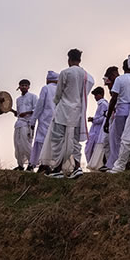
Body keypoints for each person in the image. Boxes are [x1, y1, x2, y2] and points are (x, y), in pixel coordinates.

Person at [42, 49, 93, 178]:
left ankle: (57, 169)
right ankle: (77, 167)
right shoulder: (86, 75)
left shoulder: (65, 73)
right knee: (75, 141)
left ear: (69, 59)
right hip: (77, 112)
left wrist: (56, 102)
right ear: (80, 60)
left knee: (57, 139)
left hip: (63, 111)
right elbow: (88, 88)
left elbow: (58, 94)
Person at [105, 61, 130, 170]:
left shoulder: (119, 80)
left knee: (119, 139)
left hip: (121, 112)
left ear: (123, 68)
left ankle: (119, 163)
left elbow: (113, 99)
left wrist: (107, 119)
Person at [29, 71, 58, 171]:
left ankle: (44, 164)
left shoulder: (46, 88)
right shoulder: (60, 89)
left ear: (48, 80)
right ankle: (52, 164)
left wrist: (33, 120)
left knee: (42, 141)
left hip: (45, 119)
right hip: (57, 120)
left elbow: (39, 105)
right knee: (53, 141)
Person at [12, 79, 37, 170]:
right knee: (17, 144)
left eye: (25, 85)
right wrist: (15, 112)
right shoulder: (18, 99)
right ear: (19, 87)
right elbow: (18, 113)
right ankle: (20, 165)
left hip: (28, 124)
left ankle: (32, 163)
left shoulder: (33, 97)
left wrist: (26, 113)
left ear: (28, 87)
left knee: (25, 144)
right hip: (18, 123)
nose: (23, 87)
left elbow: (36, 110)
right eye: (22, 85)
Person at [85, 86, 108, 170]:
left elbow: (104, 118)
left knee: (92, 149)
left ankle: (95, 166)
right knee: (89, 149)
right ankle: (92, 166)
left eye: (96, 95)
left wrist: (94, 119)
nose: (95, 97)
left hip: (98, 131)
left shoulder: (103, 104)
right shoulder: (100, 104)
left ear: (101, 94)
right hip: (95, 130)